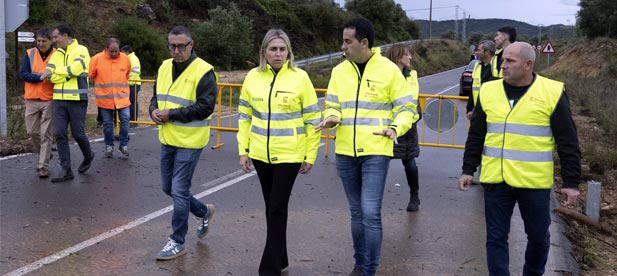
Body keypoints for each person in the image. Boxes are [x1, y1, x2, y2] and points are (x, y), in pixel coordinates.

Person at [458, 42, 581, 276]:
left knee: (538, 238)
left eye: (509, 61)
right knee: (495, 238)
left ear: (528, 64)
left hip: (533, 183)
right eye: (502, 60)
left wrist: (571, 183)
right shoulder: (488, 90)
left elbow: (568, 141)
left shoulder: (552, 92)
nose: (502, 65)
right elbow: (476, 134)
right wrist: (468, 168)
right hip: (496, 180)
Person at [315, 18, 418, 276]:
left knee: (370, 213)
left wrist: (395, 128)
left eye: (348, 41)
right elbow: (333, 104)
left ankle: (370, 270)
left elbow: (407, 109)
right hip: (345, 152)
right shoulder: (339, 71)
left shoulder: (389, 70)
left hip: (376, 150)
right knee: (357, 212)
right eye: (343, 41)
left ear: (364, 42)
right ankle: (359, 265)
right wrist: (331, 116)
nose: (343, 46)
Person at [237, 29, 322, 276]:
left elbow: (313, 120)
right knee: (272, 208)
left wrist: (310, 154)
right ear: (264, 51)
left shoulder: (300, 78)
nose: (278, 54)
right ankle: (282, 259)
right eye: (273, 49)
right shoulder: (252, 78)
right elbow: (244, 117)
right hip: (261, 155)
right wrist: (244, 150)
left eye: (282, 49)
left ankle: (269, 269)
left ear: (289, 52)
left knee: (276, 207)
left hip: (290, 155)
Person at [149, 26, 216, 260]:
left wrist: (171, 115)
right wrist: (153, 111)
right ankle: (203, 210)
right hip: (167, 138)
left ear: (191, 45)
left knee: (179, 189)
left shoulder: (204, 71)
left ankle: (177, 241)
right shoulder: (165, 66)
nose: (176, 51)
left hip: (190, 141)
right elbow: (156, 97)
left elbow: (206, 107)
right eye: (172, 46)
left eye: (180, 46)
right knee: (168, 188)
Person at [46, 24, 95, 183]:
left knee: (77, 133)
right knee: (59, 133)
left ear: (65, 36)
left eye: (55, 37)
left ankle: (88, 155)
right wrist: (66, 75)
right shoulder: (56, 54)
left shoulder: (81, 50)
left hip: (77, 100)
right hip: (59, 100)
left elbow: (77, 69)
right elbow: (49, 76)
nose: (53, 40)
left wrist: (61, 73)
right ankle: (66, 169)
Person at [385, 44, 421, 212]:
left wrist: (416, 114)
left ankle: (415, 196)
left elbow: (414, 99)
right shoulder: (385, 75)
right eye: (407, 55)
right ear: (399, 56)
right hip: (388, 127)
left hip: (408, 126)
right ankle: (373, 200)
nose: (410, 58)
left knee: (410, 164)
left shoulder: (412, 75)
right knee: (381, 163)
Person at [20, 29, 57, 178]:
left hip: (49, 98)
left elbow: (57, 74)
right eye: (39, 41)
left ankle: (43, 166)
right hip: (31, 99)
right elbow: (23, 73)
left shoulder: (57, 55)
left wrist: (50, 77)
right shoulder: (30, 53)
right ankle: (45, 153)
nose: (40, 44)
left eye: (44, 41)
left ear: (50, 41)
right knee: (32, 132)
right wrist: (41, 78)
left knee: (46, 133)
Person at [89, 38, 132, 157]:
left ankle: (123, 144)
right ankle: (109, 146)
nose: (114, 54)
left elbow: (127, 74)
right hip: (105, 98)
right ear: (106, 49)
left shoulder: (125, 59)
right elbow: (91, 75)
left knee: (125, 120)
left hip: (122, 97)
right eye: (111, 51)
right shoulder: (97, 59)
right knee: (108, 123)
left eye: (116, 51)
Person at [466, 40, 496, 120]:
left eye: (479, 50)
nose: (476, 53)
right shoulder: (477, 66)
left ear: (487, 52)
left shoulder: (496, 68)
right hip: (477, 112)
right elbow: (472, 90)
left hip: (491, 113)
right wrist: (469, 109)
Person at [121, 45, 142, 124]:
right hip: (130, 83)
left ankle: (133, 121)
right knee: (129, 102)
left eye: (122, 52)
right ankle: (130, 120)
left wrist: (129, 82)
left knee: (132, 103)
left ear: (127, 52)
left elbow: (136, 72)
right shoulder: (129, 58)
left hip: (133, 84)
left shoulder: (133, 59)